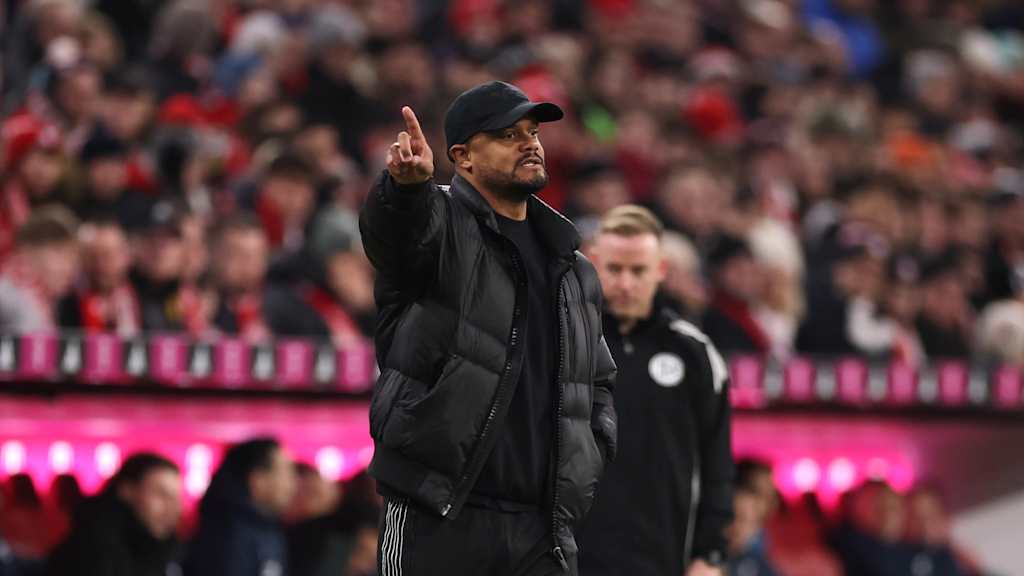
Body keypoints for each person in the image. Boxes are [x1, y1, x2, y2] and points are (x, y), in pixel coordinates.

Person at [358, 81, 617, 575]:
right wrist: (407, 189)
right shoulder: (440, 226)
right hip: (440, 514)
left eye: (533, 131)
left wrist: (592, 453)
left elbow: (597, 381)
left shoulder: (573, 265)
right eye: (507, 135)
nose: (530, 143)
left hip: (542, 530)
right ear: (463, 157)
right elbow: (398, 235)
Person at [578, 205, 733, 576]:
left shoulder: (695, 354)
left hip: (663, 557)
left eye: (638, 271)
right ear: (594, 264)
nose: (626, 283)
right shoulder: (565, 343)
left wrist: (709, 554)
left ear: (660, 270)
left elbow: (717, 464)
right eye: (614, 269)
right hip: (572, 558)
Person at [47, 453, 184, 576]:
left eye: (176, 498)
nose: (173, 507)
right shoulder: (89, 552)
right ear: (127, 491)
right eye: (161, 494)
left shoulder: (171, 554)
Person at [185, 438, 297, 576]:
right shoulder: (226, 535)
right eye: (286, 472)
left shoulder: (268, 528)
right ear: (258, 480)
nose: (292, 484)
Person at [0, 206, 79, 333]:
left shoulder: (46, 300)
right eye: (61, 254)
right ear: (28, 251)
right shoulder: (8, 294)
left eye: (72, 259)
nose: (69, 268)